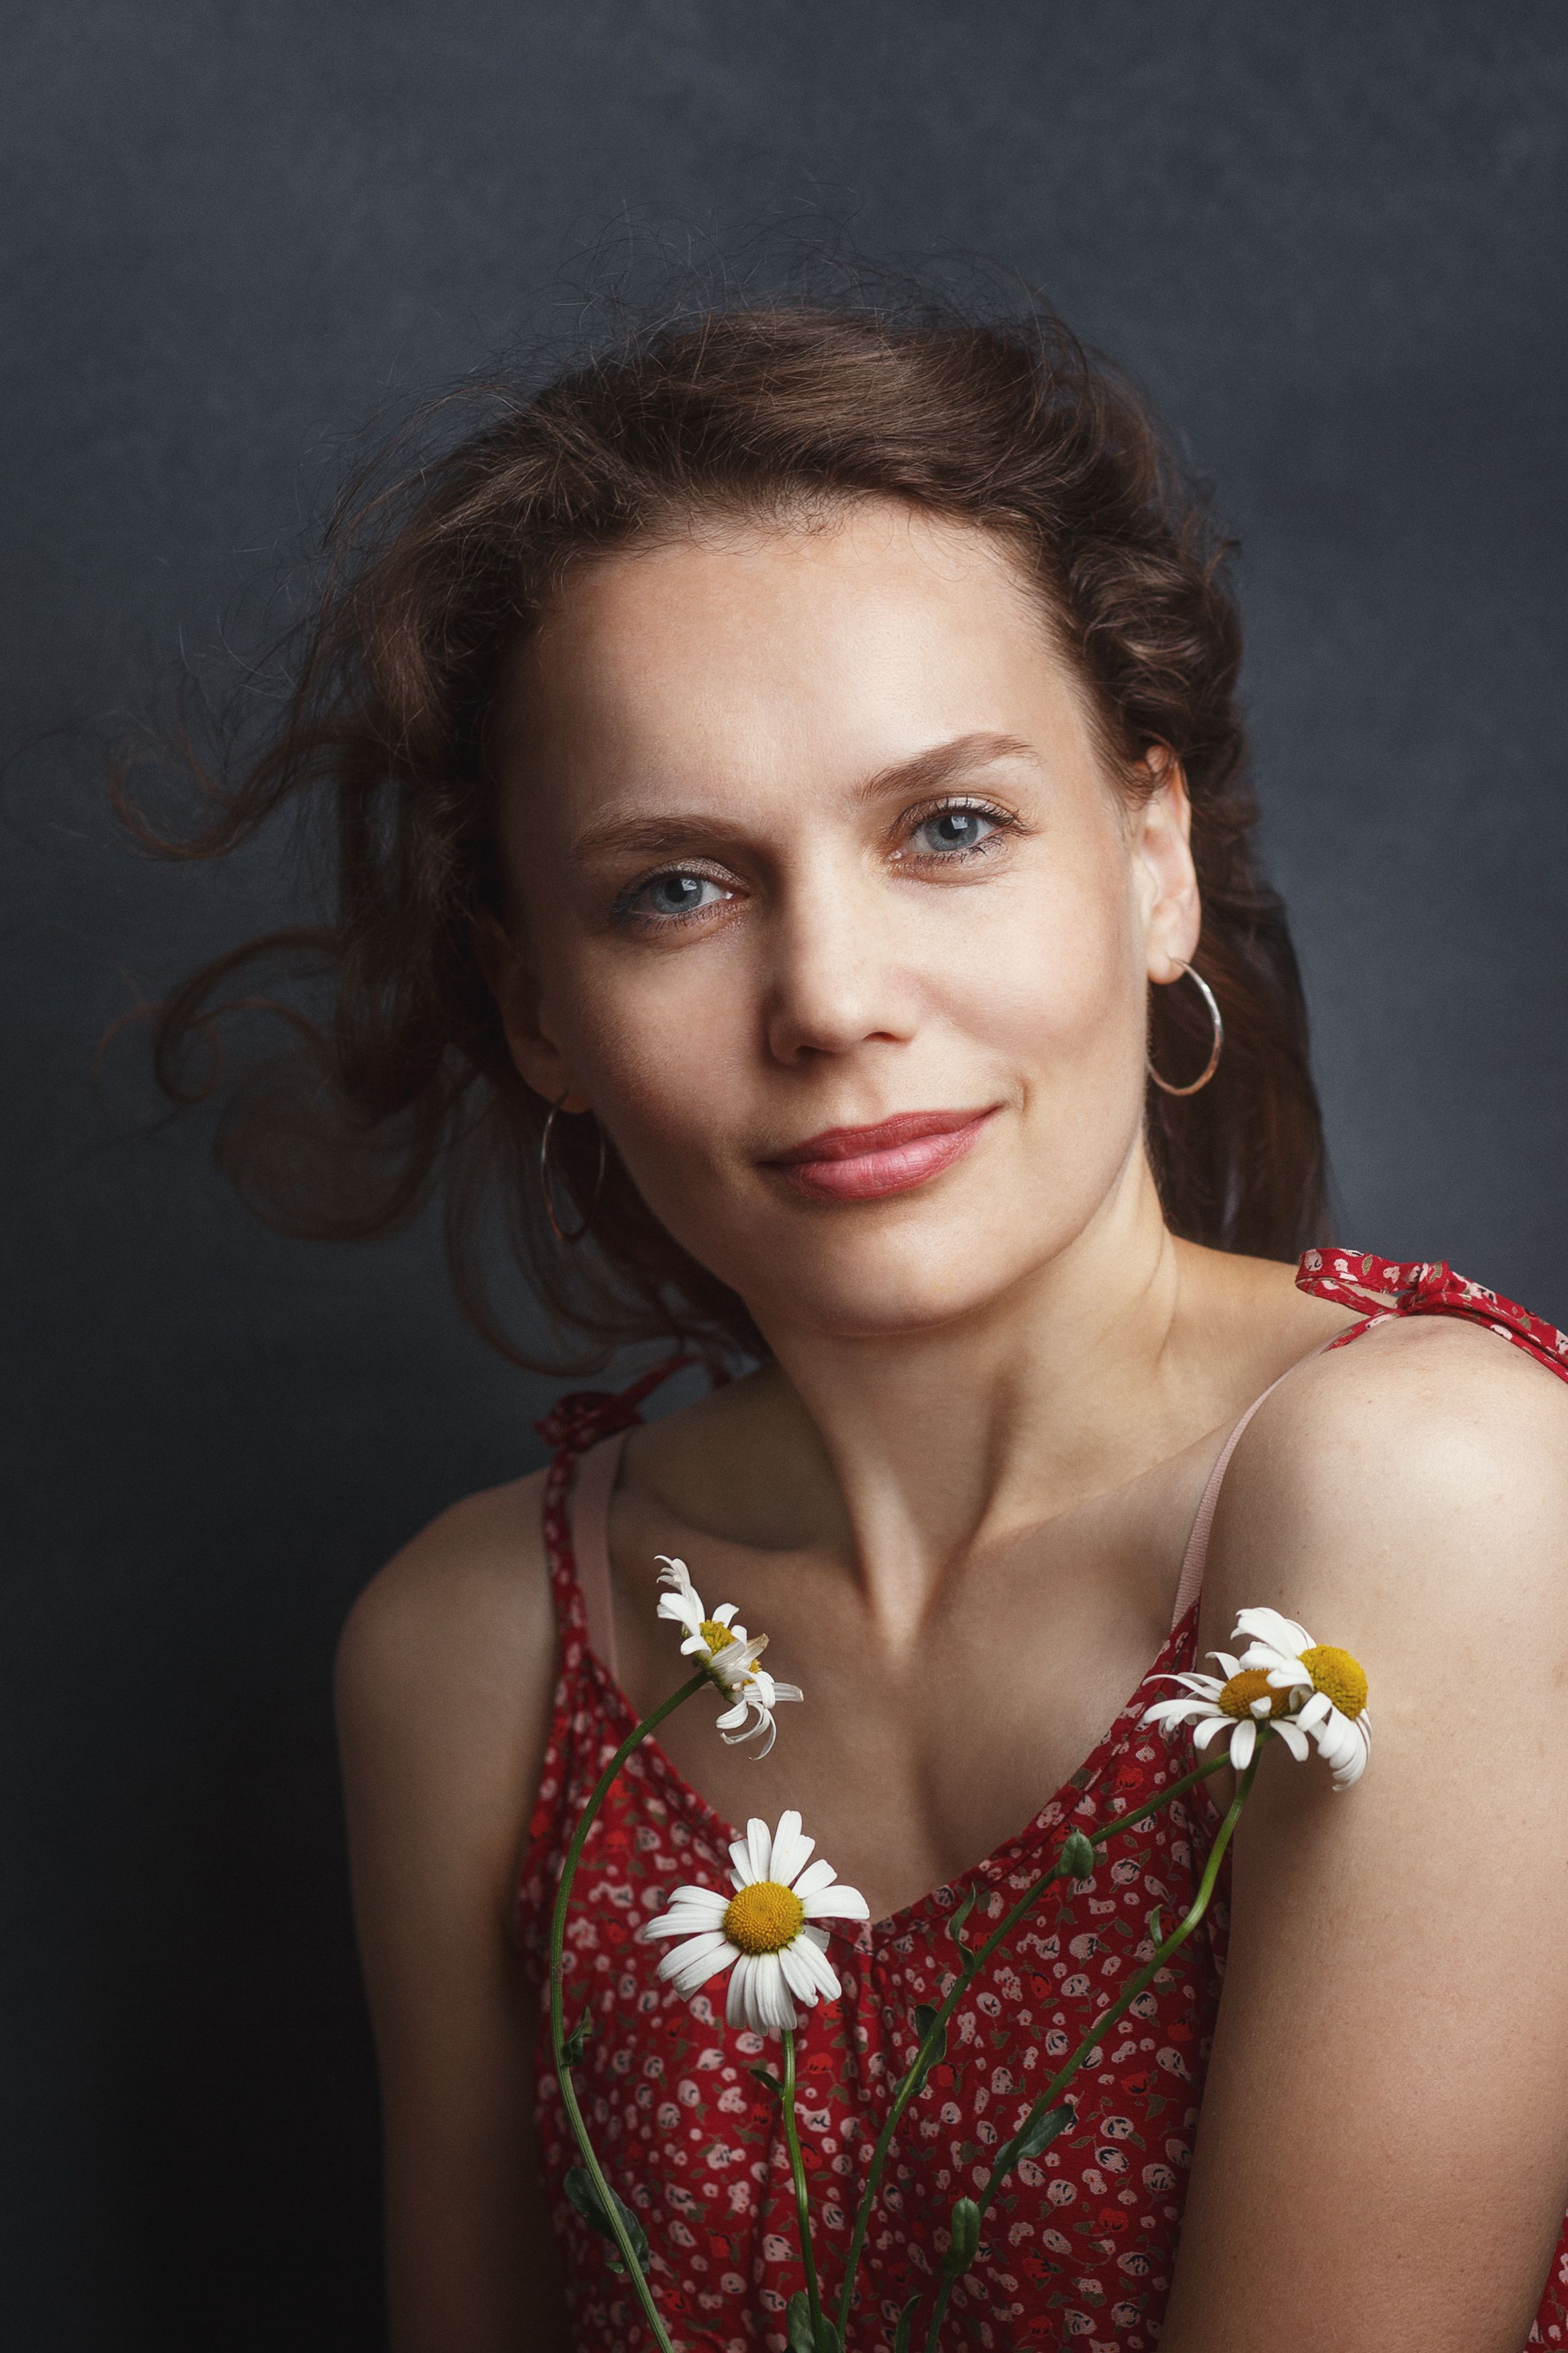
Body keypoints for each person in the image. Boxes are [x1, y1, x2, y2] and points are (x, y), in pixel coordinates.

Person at [143, 303, 1568, 2350]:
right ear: (537, 1007)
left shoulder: (1427, 1492)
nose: (830, 996)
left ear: (1153, 859)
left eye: (951, 829)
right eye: (675, 889)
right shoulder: (475, 1657)